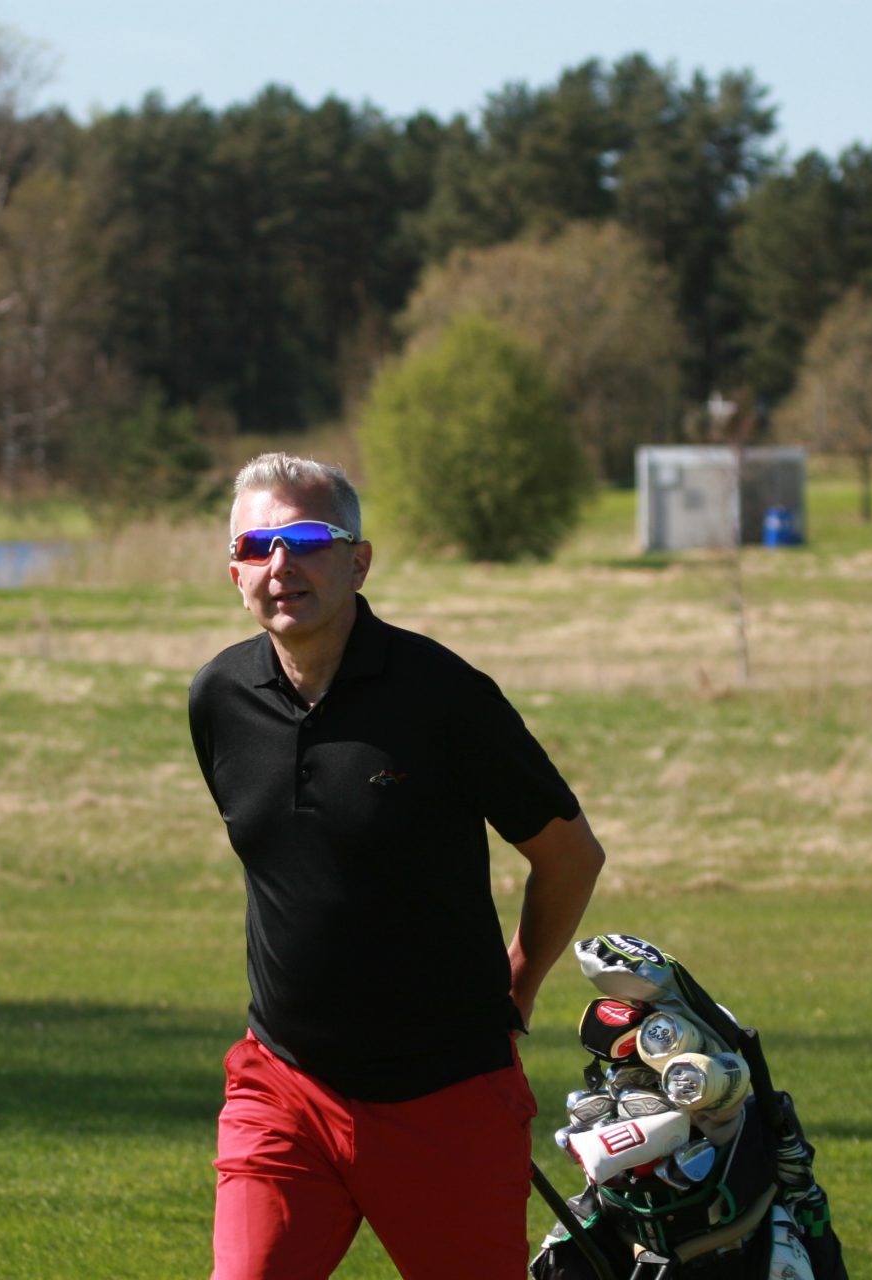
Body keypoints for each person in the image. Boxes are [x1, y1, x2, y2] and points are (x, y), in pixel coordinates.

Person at [188, 453, 606, 1279]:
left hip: (446, 1097)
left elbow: (568, 855)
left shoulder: (445, 696)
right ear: (236, 572)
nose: (281, 564)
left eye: (308, 540)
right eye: (257, 546)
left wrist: (518, 983)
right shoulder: (219, 698)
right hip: (284, 1087)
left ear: (359, 562)